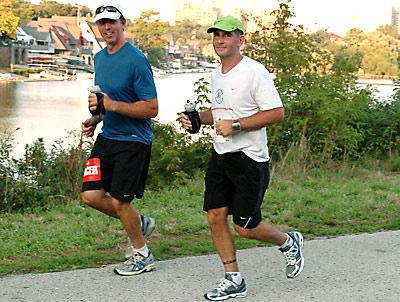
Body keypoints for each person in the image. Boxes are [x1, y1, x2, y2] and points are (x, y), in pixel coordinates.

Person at [180, 16, 304, 301]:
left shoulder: (254, 72)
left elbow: (276, 112)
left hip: (249, 158)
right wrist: (198, 118)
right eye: (216, 36)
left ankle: (288, 241)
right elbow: (220, 111)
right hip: (221, 154)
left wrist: (237, 126)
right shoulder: (216, 74)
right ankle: (233, 278)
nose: (220, 41)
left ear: (241, 40)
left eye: (226, 35)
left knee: (245, 227)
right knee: (215, 215)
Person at [80, 1, 158, 276]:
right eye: (102, 23)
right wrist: (96, 118)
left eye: (112, 21)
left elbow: (152, 108)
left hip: (134, 140)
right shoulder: (100, 59)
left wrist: (111, 105)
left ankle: (142, 254)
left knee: (120, 202)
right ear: (97, 27)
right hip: (108, 136)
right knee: (91, 195)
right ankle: (140, 223)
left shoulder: (136, 60)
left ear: (123, 23)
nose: (107, 27)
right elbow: (106, 101)